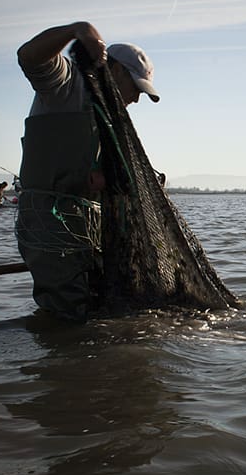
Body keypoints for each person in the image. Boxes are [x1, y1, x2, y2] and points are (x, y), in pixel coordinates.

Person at [14, 21, 160, 321]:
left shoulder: (111, 117)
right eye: (135, 88)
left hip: (92, 227)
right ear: (115, 70)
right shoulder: (67, 84)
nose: (135, 99)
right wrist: (76, 29)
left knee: (98, 312)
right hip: (51, 223)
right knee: (68, 316)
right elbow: (29, 57)